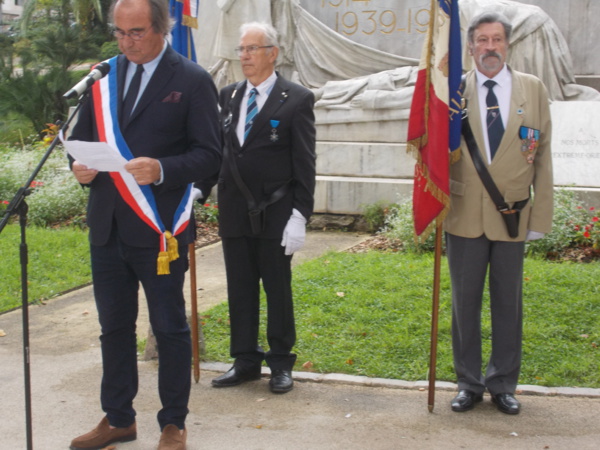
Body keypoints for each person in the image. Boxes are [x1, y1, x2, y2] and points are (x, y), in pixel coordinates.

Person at [67, 0, 221, 448]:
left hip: (159, 230)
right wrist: (79, 167)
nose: (125, 42)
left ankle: (173, 422)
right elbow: (82, 139)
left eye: (135, 32)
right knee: (113, 326)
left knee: (169, 327)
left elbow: (211, 155)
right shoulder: (103, 77)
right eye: (118, 32)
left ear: (160, 28)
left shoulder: (191, 79)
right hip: (108, 225)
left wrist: (163, 168)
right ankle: (118, 418)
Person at [444, 11, 553, 415]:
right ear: (470, 46)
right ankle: (469, 383)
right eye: (482, 40)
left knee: (509, 303)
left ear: (508, 45)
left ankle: (504, 382)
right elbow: (435, 153)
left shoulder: (532, 89)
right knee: (464, 304)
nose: (490, 48)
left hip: (513, 215)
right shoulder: (452, 91)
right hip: (464, 216)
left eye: (497, 40)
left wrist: (540, 218)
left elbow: (542, 156)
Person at [211, 22, 316, 394]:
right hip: (235, 210)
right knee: (239, 287)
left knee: (277, 288)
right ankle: (245, 360)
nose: (244, 57)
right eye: (241, 50)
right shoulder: (228, 96)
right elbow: (219, 153)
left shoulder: (297, 98)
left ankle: (281, 361)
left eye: (252, 49)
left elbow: (305, 162)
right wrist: (195, 190)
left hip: (276, 211)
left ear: (273, 53)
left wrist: (300, 215)